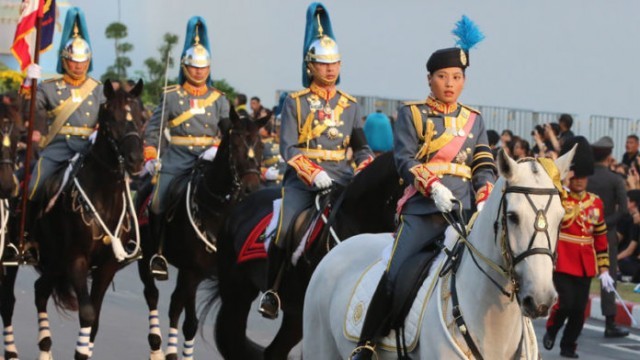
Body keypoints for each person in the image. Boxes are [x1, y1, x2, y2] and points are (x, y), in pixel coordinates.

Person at [349, 16, 496, 359]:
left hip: (463, 214)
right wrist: (432, 186)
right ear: (429, 79)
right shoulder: (412, 114)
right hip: (423, 212)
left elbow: (484, 164)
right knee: (395, 273)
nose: (450, 83)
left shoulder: (475, 119)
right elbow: (403, 159)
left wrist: (486, 193)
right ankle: (367, 343)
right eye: (443, 76)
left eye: (457, 77)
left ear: (464, 81)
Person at [258, 3, 374, 319]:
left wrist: (365, 169)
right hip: (304, 180)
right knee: (284, 226)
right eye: (323, 64)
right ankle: (273, 290)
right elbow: (289, 148)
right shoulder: (294, 102)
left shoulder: (350, 105)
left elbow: (361, 147)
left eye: (334, 63)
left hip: (342, 177)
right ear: (310, 66)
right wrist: (312, 173)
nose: (330, 69)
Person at [3, 8, 104, 266]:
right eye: (73, 61)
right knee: (34, 183)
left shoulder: (98, 90)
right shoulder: (50, 88)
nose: (78, 66)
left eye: (82, 61)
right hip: (59, 146)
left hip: (89, 149)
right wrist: (29, 84)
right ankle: (26, 236)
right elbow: (30, 109)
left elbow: (109, 119)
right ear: (65, 60)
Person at [142, 16, 230, 280]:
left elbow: (228, 134)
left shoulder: (218, 99)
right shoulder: (171, 96)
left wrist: (218, 150)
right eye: (194, 67)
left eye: (203, 68)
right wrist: (150, 157)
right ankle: (158, 252)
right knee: (157, 202)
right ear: (185, 66)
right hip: (177, 159)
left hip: (208, 160)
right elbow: (153, 131)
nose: (199, 72)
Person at [543, 136, 614, 359]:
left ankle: (568, 345)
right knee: (564, 304)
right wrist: (562, 180)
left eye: (583, 177)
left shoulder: (596, 203)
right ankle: (552, 329)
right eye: (577, 177)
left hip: (585, 263)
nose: (580, 181)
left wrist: (604, 269)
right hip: (562, 260)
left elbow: (600, 237)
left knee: (578, 311)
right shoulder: (560, 198)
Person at [587, 136, 630, 337]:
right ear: (609, 155)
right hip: (607, 234)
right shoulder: (616, 179)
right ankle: (609, 322)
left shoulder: (585, 177)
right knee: (608, 277)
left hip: (584, 232)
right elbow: (623, 209)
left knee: (581, 275)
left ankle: (575, 317)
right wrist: (604, 225)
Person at [260, 92, 287, 187]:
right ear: (276, 128)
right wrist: (264, 172)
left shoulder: (298, 146)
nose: (284, 130)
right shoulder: (265, 144)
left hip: (289, 187)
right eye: (280, 127)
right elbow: (254, 166)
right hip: (269, 185)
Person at [618, 190, 640, 282]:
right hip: (634, 261)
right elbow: (629, 250)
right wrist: (611, 261)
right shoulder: (635, 225)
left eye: (636, 214)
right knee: (622, 263)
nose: (634, 217)